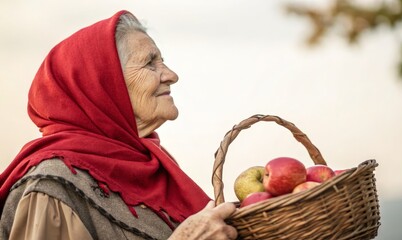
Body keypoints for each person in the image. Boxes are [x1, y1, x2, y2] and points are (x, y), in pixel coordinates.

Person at [0, 10, 238, 240]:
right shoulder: (52, 187)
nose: (171, 75)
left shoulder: (155, 169)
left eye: (162, 61)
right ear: (102, 85)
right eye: (149, 63)